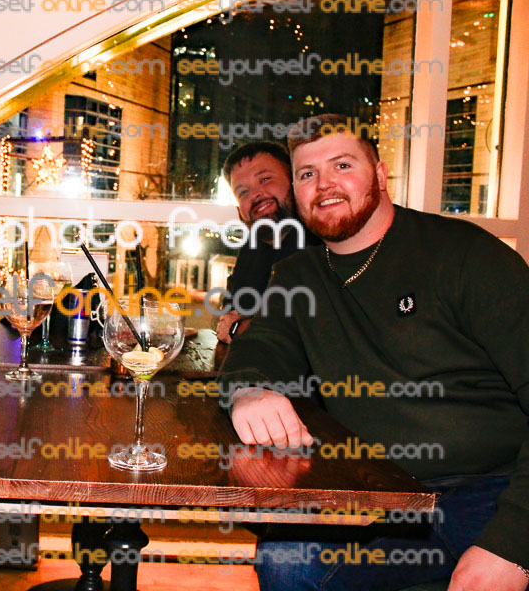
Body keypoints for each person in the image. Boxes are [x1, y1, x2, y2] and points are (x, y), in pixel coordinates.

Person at [217, 114, 529, 591]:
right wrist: (249, 391)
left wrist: (513, 545)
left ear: (381, 175)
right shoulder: (298, 275)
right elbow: (260, 346)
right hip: (383, 492)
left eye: (342, 165)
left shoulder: (466, 255)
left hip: (493, 487)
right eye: (307, 173)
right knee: (287, 559)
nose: (324, 184)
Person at [215, 141, 318, 343]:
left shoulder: (322, 243)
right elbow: (229, 314)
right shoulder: (252, 247)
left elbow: (305, 328)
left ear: (294, 181)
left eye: (265, 179)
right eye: (242, 192)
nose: (255, 194)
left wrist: (242, 327)